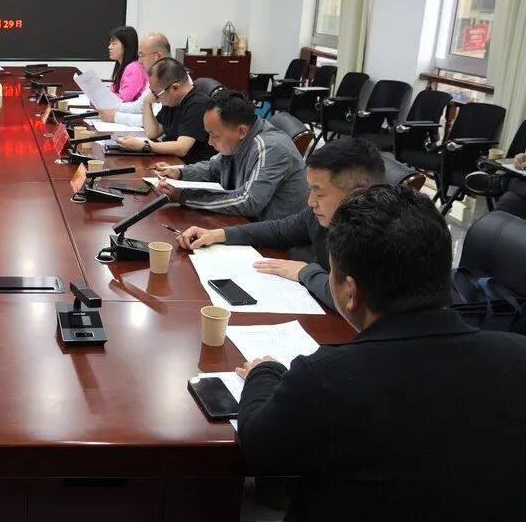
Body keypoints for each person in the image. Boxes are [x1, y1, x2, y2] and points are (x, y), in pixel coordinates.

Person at [235, 185, 526, 520]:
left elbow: (259, 447)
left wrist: (264, 372)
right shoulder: (518, 355)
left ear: (350, 292)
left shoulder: (327, 378)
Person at [176, 138, 385, 308]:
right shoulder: (321, 214)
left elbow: (350, 298)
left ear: (357, 194)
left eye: (319, 193)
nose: (310, 202)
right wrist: (218, 234)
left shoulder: (378, 236)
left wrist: (305, 272)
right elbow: (281, 230)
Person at [153, 93, 307, 221]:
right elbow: (213, 168)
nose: (209, 142)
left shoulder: (270, 148)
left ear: (241, 131)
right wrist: (179, 173)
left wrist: (185, 197)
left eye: (214, 135)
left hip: (275, 237)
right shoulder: (240, 139)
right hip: (247, 223)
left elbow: (248, 201)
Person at [115, 57, 215, 163]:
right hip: (172, 161)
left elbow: (182, 148)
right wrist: (147, 103)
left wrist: (145, 145)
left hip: (190, 166)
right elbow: (152, 133)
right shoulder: (172, 101)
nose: (155, 97)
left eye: (156, 93)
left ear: (175, 88)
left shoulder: (198, 105)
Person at [97, 32, 171, 126]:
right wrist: (107, 106)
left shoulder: (172, 77)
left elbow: (156, 119)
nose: (139, 61)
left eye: (142, 56)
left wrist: (116, 117)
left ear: (158, 56)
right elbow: (139, 106)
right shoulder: (155, 76)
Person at [107, 26, 147, 103]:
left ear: (126, 46)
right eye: (110, 43)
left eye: (113, 43)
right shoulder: (123, 66)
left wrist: (102, 96)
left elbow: (124, 99)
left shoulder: (134, 68)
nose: (109, 47)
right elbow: (113, 90)